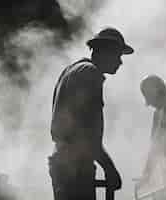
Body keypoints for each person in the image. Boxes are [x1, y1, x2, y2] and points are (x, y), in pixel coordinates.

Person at [49, 27, 133, 200]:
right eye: (117, 56)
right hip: (75, 168)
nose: (120, 62)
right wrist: (110, 169)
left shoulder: (72, 70)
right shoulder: (90, 74)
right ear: (105, 52)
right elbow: (88, 134)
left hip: (63, 163)